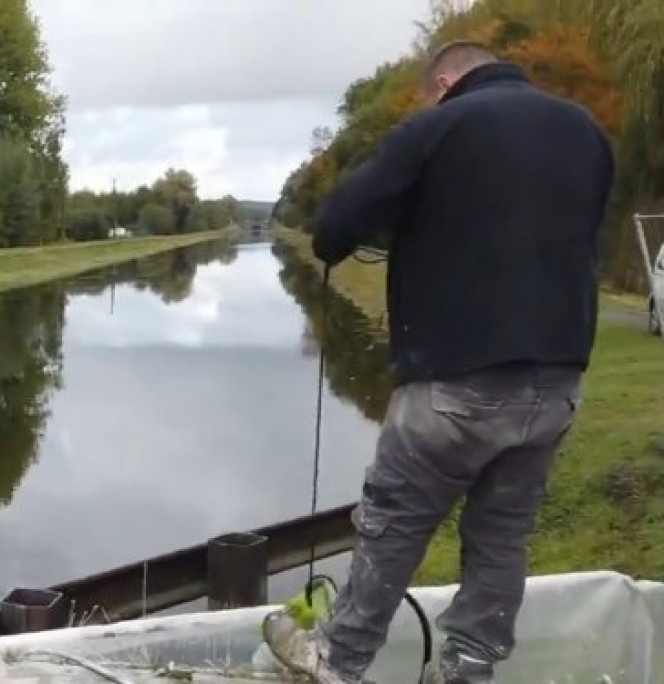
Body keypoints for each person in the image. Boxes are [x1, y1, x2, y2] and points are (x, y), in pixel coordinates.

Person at [262, 40, 616, 684]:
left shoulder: (439, 125)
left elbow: (334, 226)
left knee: (393, 521)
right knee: (502, 534)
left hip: (455, 380)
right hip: (557, 381)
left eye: (429, 90)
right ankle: (467, 668)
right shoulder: (586, 132)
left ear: (446, 80)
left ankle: (337, 659)